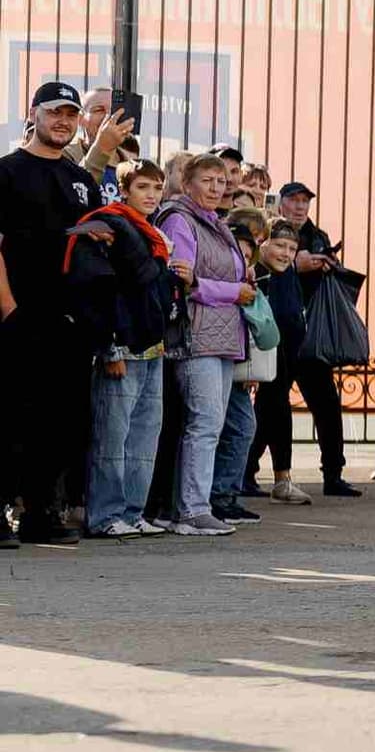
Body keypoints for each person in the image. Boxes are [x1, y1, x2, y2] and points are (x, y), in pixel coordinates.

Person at [0, 81, 105, 543]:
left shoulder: (80, 180)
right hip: (18, 315)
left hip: (70, 321)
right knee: (10, 418)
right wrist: (8, 308)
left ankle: (41, 513)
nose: (63, 120)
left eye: (71, 113)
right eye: (55, 112)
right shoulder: (6, 172)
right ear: (34, 113)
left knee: (60, 420)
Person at [67, 158, 180, 538]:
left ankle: (132, 513)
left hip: (152, 348)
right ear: (125, 190)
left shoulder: (153, 235)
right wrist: (108, 347)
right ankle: (105, 515)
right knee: (112, 439)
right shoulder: (106, 225)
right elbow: (96, 291)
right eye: (143, 187)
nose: (151, 195)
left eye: (157, 188)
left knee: (145, 437)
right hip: (121, 347)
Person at [154, 154, 252, 537]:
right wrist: (234, 292)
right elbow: (183, 280)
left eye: (221, 181)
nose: (216, 188)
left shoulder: (216, 224)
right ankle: (192, 509)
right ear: (187, 183)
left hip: (223, 336)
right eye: (207, 181)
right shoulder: (180, 220)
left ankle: (191, 504)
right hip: (197, 337)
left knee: (209, 424)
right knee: (204, 424)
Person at [275, 181, 360, 499]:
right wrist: (296, 266)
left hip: (312, 335)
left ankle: (333, 475)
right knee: (271, 405)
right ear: (281, 203)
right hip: (280, 333)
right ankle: (247, 472)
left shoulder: (318, 236)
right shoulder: (272, 231)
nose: (299, 207)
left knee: (327, 403)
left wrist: (326, 265)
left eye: (304, 202)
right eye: (294, 200)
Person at [207, 222, 268, 527]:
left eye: (248, 254)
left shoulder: (248, 285)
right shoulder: (226, 285)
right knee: (230, 428)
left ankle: (225, 494)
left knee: (242, 427)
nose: (243, 260)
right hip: (216, 357)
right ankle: (217, 496)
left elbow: (263, 333)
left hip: (236, 362)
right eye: (238, 253)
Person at [250, 220, 311, 505]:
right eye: (279, 246)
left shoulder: (287, 274)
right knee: (270, 411)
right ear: (263, 242)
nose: (285, 253)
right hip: (260, 354)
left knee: (271, 411)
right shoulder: (255, 273)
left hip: (287, 353)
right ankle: (278, 477)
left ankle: (257, 473)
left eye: (291, 248)